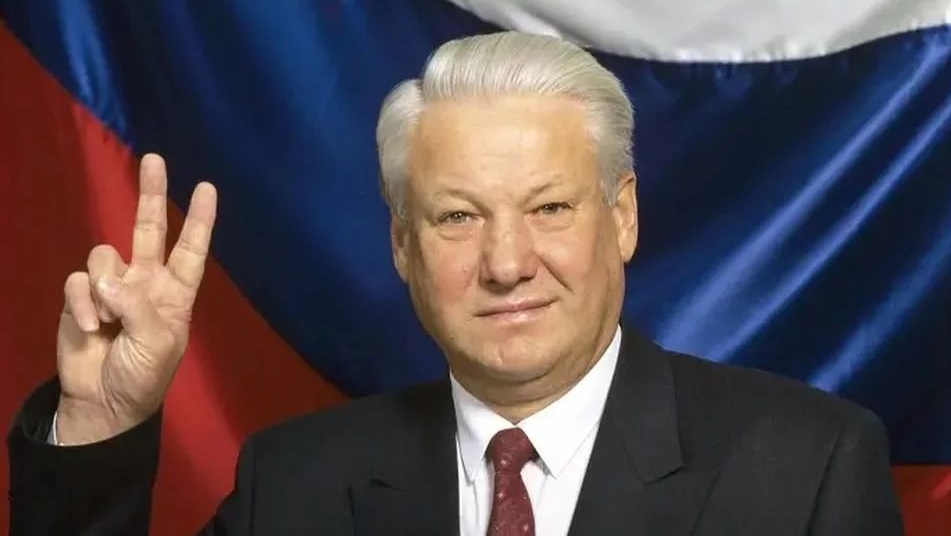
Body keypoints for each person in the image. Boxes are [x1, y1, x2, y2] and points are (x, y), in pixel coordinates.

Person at [7, 31, 903, 536]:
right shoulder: (294, 487)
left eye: (549, 207)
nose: (507, 262)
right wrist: (102, 421)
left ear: (622, 215)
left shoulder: (806, 473)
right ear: (402, 243)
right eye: (458, 217)